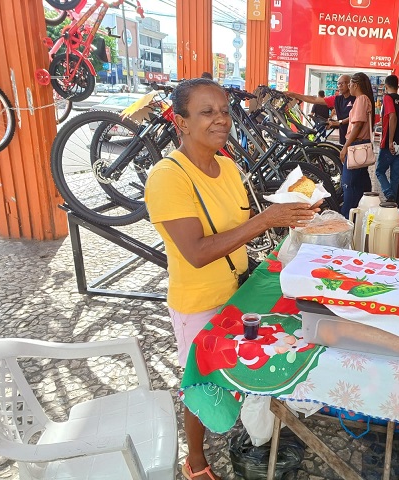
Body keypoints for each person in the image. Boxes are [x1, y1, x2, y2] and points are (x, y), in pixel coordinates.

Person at [144, 78, 319, 480]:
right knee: (201, 382)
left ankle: (246, 425)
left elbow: (243, 224)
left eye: (224, 110)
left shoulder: (228, 167)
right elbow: (198, 252)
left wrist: (296, 203)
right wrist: (263, 221)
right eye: (206, 112)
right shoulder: (168, 177)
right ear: (180, 122)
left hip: (238, 293)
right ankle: (196, 461)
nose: (220, 119)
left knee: (236, 369)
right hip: (198, 300)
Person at [339, 72, 374, 218]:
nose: (348, 87)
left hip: (356, 146)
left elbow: (358, 125)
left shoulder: (361, 99)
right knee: (361, 182)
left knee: (349, 184)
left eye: (350, 84)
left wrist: (345, 146)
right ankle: (363, 211)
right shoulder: (365, 99)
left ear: (356, 84)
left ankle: (348, 217)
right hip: (361, 145)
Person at [285, 74, 355, 145]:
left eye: (343, 83)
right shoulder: (337, 99)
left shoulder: (357, 99)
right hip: (345, 136)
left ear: (350, 84)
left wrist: (339, 122)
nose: (340, 85)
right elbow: (314, 99)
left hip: (356, 137)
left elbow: (356, 117)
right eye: (338, 83)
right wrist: (294, 95)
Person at [375, 75, 399, 203]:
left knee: (379, 171)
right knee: (395, 176)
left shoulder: (387, 98)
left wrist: (390, 141)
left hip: (390, 143)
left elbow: (393, 117)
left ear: (386, 85)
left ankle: (389, 195)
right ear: (398, 86)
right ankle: (393, 203)